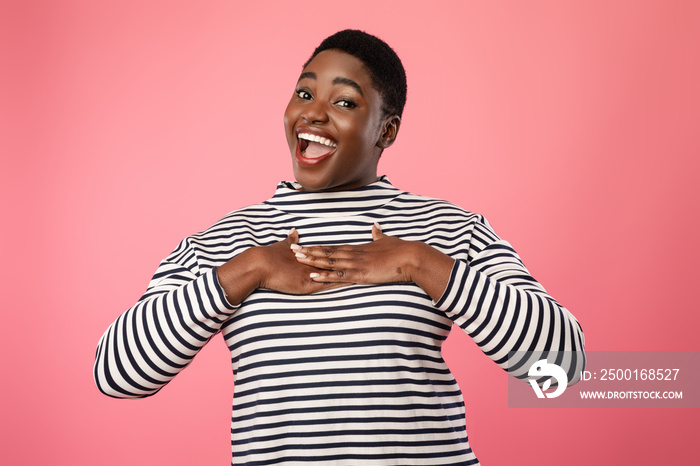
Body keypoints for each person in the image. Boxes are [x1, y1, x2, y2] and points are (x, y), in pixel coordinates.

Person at [94, 29, 585, 465]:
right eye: (304, 92)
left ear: (386, 131)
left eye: (345, 102)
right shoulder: (227, 242)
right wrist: (248, 269)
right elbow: (117, 373)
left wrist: (422, 263)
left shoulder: (447, 229)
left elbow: (563, 364)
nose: (313, 112)